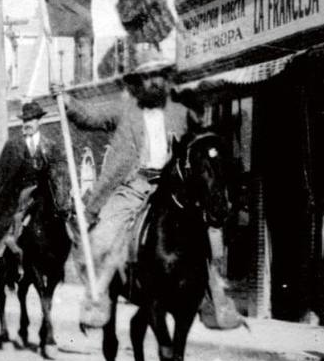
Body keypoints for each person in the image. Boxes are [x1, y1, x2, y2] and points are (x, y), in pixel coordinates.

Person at [60, 45, 242, 330]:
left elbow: (199, 141)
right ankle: (99, 298)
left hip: (172, 187)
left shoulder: (180, 112)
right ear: (138, 83)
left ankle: (215, 301)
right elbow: (90, 117)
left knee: (208, 238)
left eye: (158, 75)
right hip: (133, 186)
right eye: (147, 77)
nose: (154, 81)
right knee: (104, 237)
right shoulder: (125, 110)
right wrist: (68, 102)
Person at [0, 102, 67, 285]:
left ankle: (64, 259)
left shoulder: (51, 146)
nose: (28, 123)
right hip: (16, 197)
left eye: (31, 119)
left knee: (65, 224)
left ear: (39, 121)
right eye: (25, 120)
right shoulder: (13, 145)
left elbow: (60, 170)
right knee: (4, 225)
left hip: (45, 195)